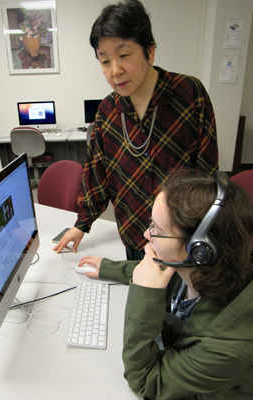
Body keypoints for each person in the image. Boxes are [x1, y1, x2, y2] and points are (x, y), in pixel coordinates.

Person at [54, 0, 218, 260]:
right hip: (134, 236)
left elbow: (206, 169)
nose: (115, 71)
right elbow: (96, 173)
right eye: (105, 61)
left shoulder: (189, 93)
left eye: (124, 55)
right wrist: (81, 224)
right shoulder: (108, 111)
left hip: (181, 237)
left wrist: (197, 226)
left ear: (149, 52)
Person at [77, 168, 253, 400]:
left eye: (156, 231)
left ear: (200, 250)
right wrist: (109, 268)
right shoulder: (205, 264)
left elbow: (145, 380)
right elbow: (160, 267)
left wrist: (144, 295)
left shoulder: (228, 348)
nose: (146, 234)